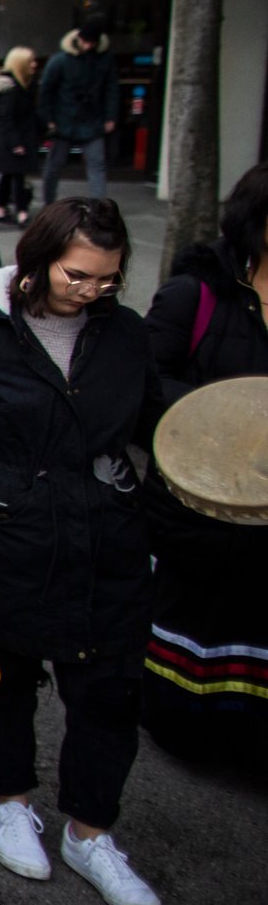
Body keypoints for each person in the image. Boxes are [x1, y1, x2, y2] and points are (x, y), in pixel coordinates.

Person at [0, 198, 165, 905]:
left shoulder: (125, 335)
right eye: (77, 275)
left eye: (108, 280)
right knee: (6, 680)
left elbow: (153, 424)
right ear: (38, 260)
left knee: (109, 691)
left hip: (106, 538)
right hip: (5, 539)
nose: (90, 291)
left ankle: (91, 830)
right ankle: (12, 800)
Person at [140, 162, 268, 764]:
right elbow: (144, 384)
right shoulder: (197, 294)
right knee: (203, 626)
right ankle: (193, 732)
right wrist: (224, 423)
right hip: (198, 513)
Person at [38, 19, 118, 202]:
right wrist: (49, 119)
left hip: (90, 119)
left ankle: (99, 208)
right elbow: (46, 91)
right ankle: (48, 204)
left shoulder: (104, 60)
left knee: (96, 165)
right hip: (65, 120)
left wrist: (110, 117)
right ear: (79, 39)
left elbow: (111, 89)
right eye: (86, 41)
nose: (88, 46)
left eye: (92, 42)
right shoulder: (60, 61)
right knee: (54, 167)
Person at [0, 48, 41, 223]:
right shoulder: (10, 89)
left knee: (8, 174)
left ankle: (0, 207)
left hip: (17, 137)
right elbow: (6, 119)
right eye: (30, 62)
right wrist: (15, 143)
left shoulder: (27, 84)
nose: (34, 65)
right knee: (17, 175)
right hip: (10, 139)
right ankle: (21, 210)